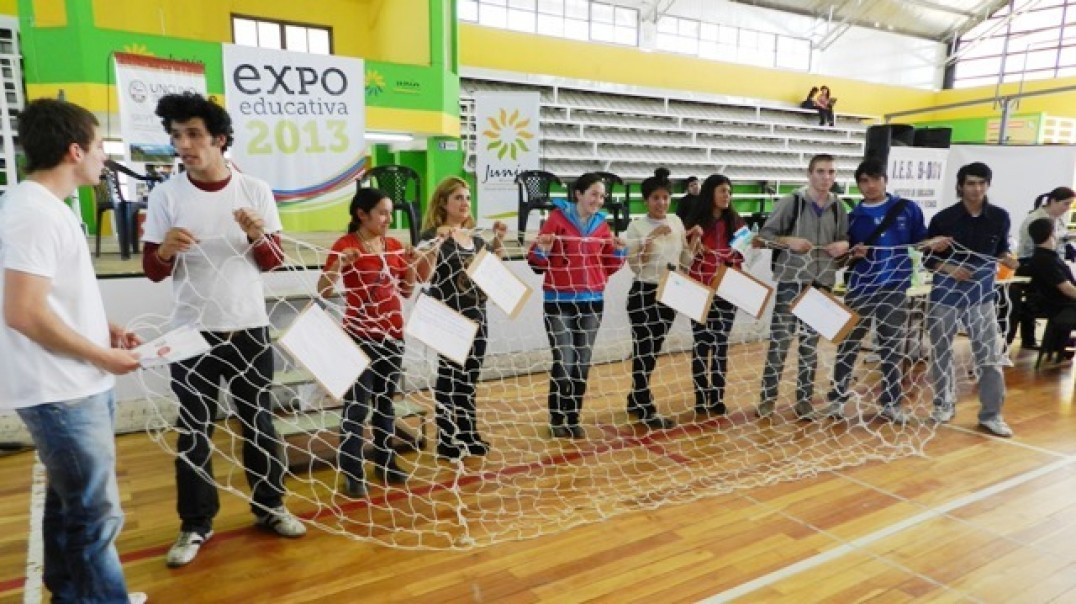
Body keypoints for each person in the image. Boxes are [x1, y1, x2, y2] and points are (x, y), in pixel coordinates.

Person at [141, 92, 306, 568]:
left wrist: (257, 235)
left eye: (193, 134)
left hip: (249, 327)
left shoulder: (253, 189)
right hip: (190, 332)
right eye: (176, 136)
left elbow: (272, 263)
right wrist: (166, 250)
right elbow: (153, 270)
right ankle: (195, 523)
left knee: (259, 423)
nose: (184, 144)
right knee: (194, 430)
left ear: (220, 140)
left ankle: (270, 506)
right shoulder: (166, 195)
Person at [0, 99, 145, 603]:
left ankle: (71, 593)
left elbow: (53, 298)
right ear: (74, 150)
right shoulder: (31, 214)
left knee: (69, 506)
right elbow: (22, 312)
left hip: (78, 382)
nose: (104, 157)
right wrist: (103, 357)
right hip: (62, 391)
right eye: (101, 146)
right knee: (96, 515)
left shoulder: (45, 209)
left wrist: (104, 330)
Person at [824, 158, 946, 423]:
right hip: (860, 289)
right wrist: (853, 254)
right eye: (864, 181)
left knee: (892, 348)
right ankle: (836, 399)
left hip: (894, 288)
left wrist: (933, 243)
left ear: (885, 180)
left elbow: (920, 242)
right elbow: (840, 260)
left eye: (874, 179)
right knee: (848, 345)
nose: (870, 186)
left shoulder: (907, 209)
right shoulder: (852, 217)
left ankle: (891, 403)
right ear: (858, 185)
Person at [318, 187, 416, 494]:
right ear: (362, 214)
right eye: (383, 213)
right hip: (359, 336)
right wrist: (338, 266)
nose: (389, 219)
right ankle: (352, 470)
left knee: (385, 404)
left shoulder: (394, 245)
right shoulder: (345, 245)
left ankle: (386, 462)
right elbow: (323, 290)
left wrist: (411, 263)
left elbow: (407, 290)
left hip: (393, 336)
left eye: (390, 213)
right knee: (357, 407)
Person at [527, 173, 627, 438]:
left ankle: (573, 417)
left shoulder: (603, 226)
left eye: (602, 196)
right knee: (565, 360)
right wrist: (543, 249)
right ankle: (556, 416)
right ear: (578, 194)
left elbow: (609, 266)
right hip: (558, 301)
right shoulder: (556, 219)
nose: (598, 200)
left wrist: (619, 251)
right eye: (593, 193)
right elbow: (536, 262)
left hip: (592, 302)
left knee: (582, 362)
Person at [415, 177, 506, 460]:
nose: (465, 203)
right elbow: (421, 274)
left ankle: (468, 432)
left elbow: (491, 276)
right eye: (458, 198)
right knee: (449, 377)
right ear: (443, 202)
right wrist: (436, 242)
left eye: (467, 198)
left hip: (477, 315)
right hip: (448, 317)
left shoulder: (476, 239)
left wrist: (499, 244)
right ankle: (447, 437)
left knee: (470, 377)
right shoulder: (431, 235)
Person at [925, 161, 1018, 437]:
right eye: (970, 183)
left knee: (989, 356)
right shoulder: (943, 218)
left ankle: (992, 414)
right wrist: (951, 269)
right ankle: (943, 404)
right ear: (960, 186)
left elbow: (1000, 250)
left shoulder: (1000, 217)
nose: (976, 188)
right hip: (945, 292)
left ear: (988, 185)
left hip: (981, 295)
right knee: (941, 350)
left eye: (981, 183)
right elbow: (928, 259)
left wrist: (1008, 260)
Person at [757, 154, 850, 419]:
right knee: (780, 343)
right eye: (820, 171)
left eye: (831, 172)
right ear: (809, 174)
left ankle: (804, 401)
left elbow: (845, 240)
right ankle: (767, 399)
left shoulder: (839, 207)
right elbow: (764, 236)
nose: (826, 177)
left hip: (821, 285)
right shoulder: (792, 202)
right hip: (791, 281)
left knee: (810, 346)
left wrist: (844, 245)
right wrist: (789, 241)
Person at [623, 168, 694, 429]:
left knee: (653, 350)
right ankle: (644, 404)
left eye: (665, 197)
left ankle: (635, 396)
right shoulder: (636, 226)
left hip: (670, 291)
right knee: (644, 349)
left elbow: (685, 258)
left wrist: (694, 243)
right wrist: (649, 240)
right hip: (644, 292)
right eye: (656, 198)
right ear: (646, 200)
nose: (661, 203)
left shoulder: (676, 221)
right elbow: (636, 267)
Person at [683, 174, 746, 417]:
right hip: (699, 290)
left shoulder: (737, 222)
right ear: (710, 193)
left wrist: (730, 256)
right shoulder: (695, 223)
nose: (727, 196)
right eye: (722, 191)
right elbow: (684, 257)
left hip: (727, 290)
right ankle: (700, 396)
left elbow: (746, 252)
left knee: (720, 344)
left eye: (729, 192)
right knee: (701, 344)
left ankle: (717, 397)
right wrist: (693, 241)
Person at [1009, 187, 1075, 348]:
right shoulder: (1036, 219)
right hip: (1034, 263)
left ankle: (1055, 342)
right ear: (1053, 201)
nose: (1067, 209)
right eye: (1065, 204)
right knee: (1056, 295)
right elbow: (1040, 243)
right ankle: (1050, 341)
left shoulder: (1056, 218)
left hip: (1049, 261)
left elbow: (1059, 237)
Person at [1026, 217, 1076, 355]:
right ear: (1051, 233)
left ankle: (1062, 344)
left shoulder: (1047, 256)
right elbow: (1066, 288)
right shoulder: (1045, 259)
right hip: (1061, 306)